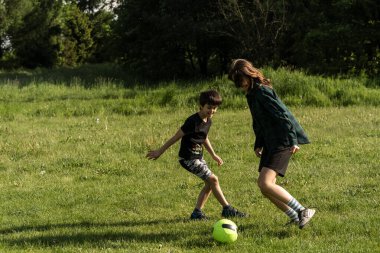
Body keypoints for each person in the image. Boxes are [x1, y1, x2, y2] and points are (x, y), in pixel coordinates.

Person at [228, 59, 315, 229]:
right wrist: (258, 143)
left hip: (283, 141)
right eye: (236, 83)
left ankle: (303, 210)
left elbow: (283, 115)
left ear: (248, 75)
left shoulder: (262, 92)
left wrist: (293, 139)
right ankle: (296, 218)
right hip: (270, 142)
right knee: (265, 188)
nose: (240, 86)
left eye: (241, 81)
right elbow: (258, 121)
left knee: (265, 183)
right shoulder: (251, 95)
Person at [146, 90, 246, 220]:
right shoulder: (192, 121)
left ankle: (197, 213)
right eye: (209, 107)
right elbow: (176, 137)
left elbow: (203, 137)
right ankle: (227, 209)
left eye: (215, 108)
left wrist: (214, 155)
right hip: (188, 158)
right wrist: (160, 151)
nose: (212, 111)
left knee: (210, 184)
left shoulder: (208, 121)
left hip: (198, 157)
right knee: (213, 179)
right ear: (201, 106)